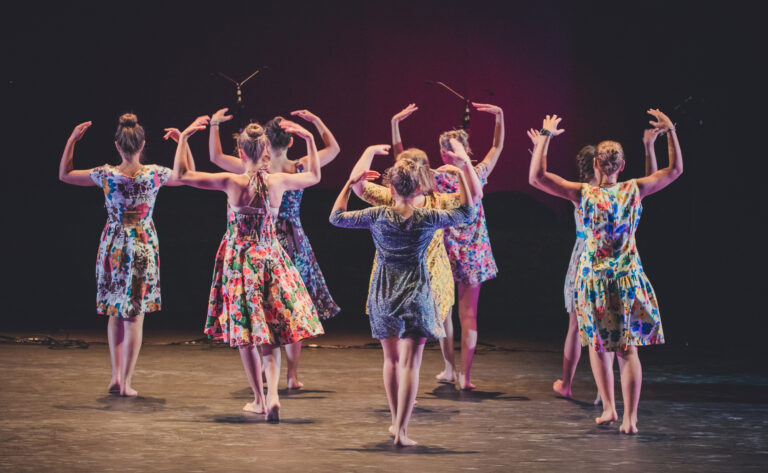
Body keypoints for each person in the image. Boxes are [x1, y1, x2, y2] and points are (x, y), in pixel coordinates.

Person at [528, 111, 682, 434]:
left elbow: (537, 178)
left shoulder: (583, 193)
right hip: (627, 278)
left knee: (598, 345)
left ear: (596, 165)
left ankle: (611, 408)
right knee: (628, 350)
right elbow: (675, 170)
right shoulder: (633, 189)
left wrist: (545, 135)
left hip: (595, 280)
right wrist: (670, 132)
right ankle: (629, 417)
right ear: (622, 166)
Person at [171, 116, 324, 422]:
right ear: (265, 148)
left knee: (247, 334)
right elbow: (315, 177)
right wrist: (308, 138)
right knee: (270, 334)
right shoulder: (278, 181)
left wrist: (185, 138)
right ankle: (274, 395)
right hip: (271, 258)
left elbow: (184, 174)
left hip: (240, 263)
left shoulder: (232, 181)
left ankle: (258, 399)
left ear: (241, 153)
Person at [330, 148, 474, 446]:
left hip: (383, 291)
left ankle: (395, 423)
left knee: (391, 360)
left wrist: (348, 184)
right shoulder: (427, 217)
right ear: (419, 187)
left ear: (390, 188)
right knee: (411, 364)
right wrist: (460, 173)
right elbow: (467, 213)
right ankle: (402, 429)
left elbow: (336, 218)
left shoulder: (377, 214)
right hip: (418, 291)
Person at [58, 113, 194, 397]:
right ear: (142, 144)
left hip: (115, 244)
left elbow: (65, 174)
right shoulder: (154, 173)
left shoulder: (106, 174)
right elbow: (187, 176)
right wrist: (183, 142)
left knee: (116, 312)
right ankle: (126, 381)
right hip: (142, 244)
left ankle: (116, 376)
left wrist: (72, 140)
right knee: (134, 315)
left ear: (118, 146)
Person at [207, 108, 340, 389]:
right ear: (289, 142)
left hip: (259, 241)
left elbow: (216, 158)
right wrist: (313, 125)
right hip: (291, 239)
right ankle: (291, 375)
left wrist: (214, 125)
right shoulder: (297, 168)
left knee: (261, 308)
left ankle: (267, 375)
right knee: (288, 311)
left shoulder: (257, 171)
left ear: (264, 143)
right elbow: (334, 150)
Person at [348, 135, 482, 383]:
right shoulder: (436, 203)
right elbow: (473, 198)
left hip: (403, 276)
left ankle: (411, 389)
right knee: (418, 343)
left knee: (398, 343)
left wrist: (368, 151)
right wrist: (463, 167)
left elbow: (356, 187)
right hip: (423, 276)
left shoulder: (394, 199)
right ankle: (415, 386)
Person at [392, 102, 503, 389]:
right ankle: (464, 376)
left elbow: (402, 166)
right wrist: (500, 116)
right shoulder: (475, 174)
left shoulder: (437, 177)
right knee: (469, 316)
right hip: (475, 252)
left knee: (445, 311)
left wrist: (395, 125)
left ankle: (449, 369)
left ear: (443, 152)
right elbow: (497, 147)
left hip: (445, 253)